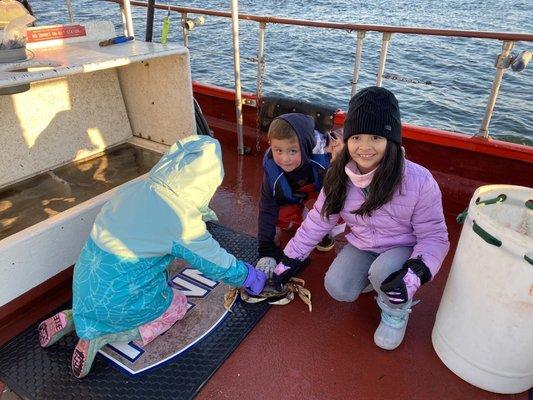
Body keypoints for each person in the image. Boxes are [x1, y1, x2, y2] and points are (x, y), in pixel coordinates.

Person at [37, 135, 266, 378]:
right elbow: (215, 263)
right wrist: (249, 277)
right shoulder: (180, 220)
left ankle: (74, 317)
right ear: (206, 183)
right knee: (176, 304)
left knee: (111, 288)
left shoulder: (134, 190)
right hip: (119, 303)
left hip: (85, 287)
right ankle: (99, 338)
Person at [273, 86, 449, 350]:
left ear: (392, 141)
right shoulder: (338, 175)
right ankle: (373, 279)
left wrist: (415, 274)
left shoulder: (420, 180)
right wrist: (289, 260)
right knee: (338, 287)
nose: (364, 148)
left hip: (403, 247)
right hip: (364, 244)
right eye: (356, 137)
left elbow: (434, 236)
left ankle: (395, 312)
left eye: (376, 137)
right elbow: (318, 221)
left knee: (385, 272)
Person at [256, 113, 335, 277]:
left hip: (317, 200)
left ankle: (323, 233)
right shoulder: (272, 173)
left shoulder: (323, 164)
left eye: (293, 151)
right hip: (294, 200)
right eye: (278, 150)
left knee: (334, 209)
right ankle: (301, 224)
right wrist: (266, 251)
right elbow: (266, 210)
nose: (285, 158)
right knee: (279, 217)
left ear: (305, 147)